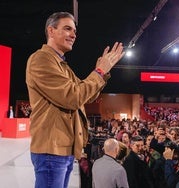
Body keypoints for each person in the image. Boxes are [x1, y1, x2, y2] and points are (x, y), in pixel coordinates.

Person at [25, 11, 124, 188]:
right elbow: (73, 97)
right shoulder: (41, 59)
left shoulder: (61, 64)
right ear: (51, 30)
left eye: (75, 31)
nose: (73, 35)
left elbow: (87, 95)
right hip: (51, 150)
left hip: (62, 148)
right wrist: (99, 72)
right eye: (67, 29)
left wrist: (102, 72)